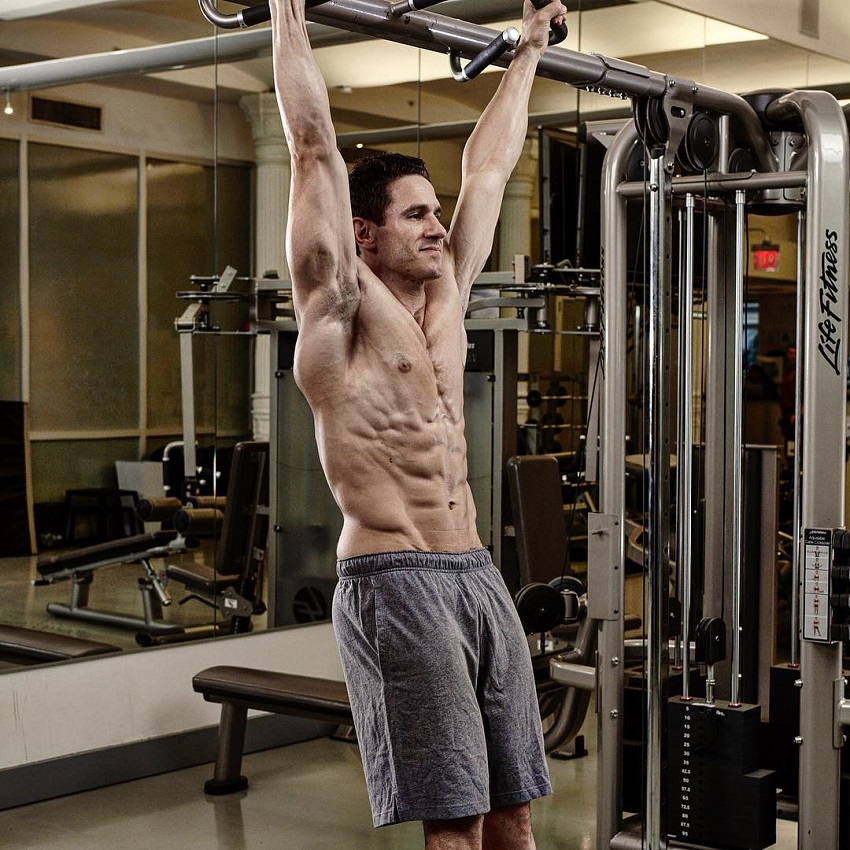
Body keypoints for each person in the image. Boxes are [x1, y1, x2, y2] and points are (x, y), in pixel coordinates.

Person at [268, 1, 567, 847]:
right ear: (363, 231)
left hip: (475, 569)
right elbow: (313, 144)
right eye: (414, 215)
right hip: (395, 577)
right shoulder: (337, 310)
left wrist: (527, 56)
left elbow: (490, 171)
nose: (438, 226)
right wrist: (288, 17)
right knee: (457, 822)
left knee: (513, 811)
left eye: (433, 213)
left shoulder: (448, 297)